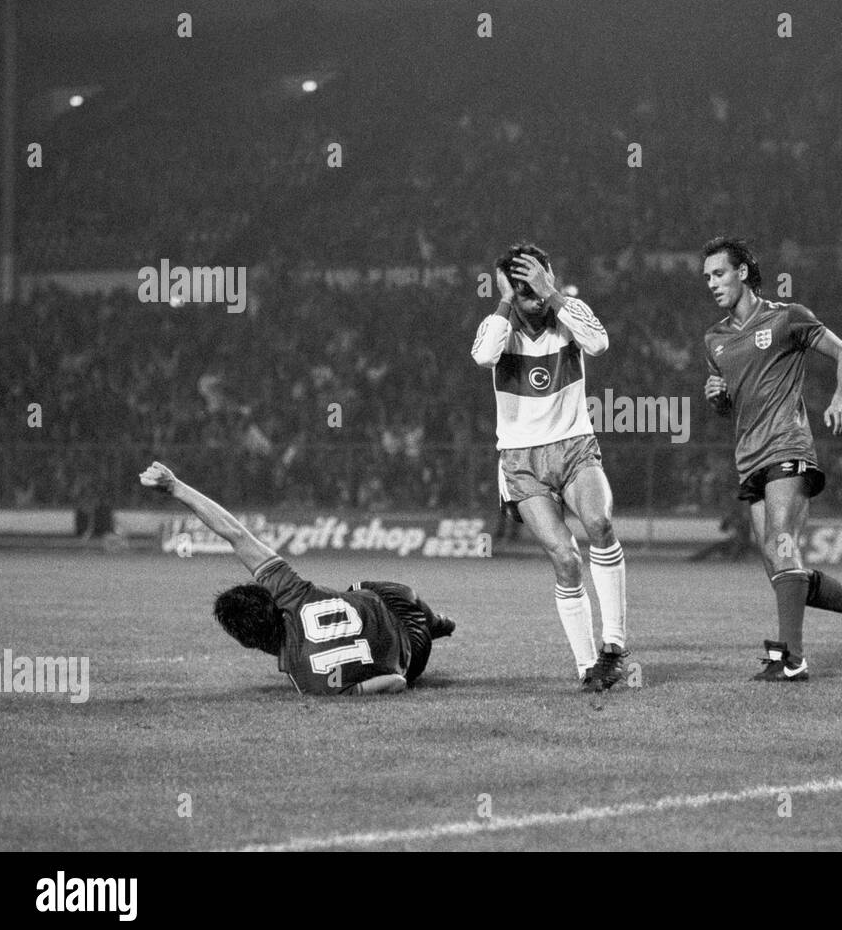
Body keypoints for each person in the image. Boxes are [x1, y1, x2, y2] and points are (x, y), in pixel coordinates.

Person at [701, 236, 842, 682]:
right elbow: (730, 402)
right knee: (778, 562)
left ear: (744, 273)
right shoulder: (714, 339)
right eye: (708, 277)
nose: (712, 283)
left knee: (782, 545)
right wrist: (716, 398)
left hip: (789, 446)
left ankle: (791, 657)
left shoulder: (788, 317)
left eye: (719, 273)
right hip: (749, 458)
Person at [139, 461, 454, 695]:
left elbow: (396, 682)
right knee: (360, 588)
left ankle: (433, 626)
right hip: (395, 598)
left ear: (248, 642)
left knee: (362, 594)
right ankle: (435, 622)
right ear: (271, 601)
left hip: (413, 653)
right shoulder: (290, 592)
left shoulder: (307, 678)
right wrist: (175, 487)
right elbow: (234, 533)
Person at [471, 243, 628, 691]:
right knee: (565, 558)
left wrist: (553, 294)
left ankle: (614, 647)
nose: (535, 299)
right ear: (508, 291)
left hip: (575, 445)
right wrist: (504, 300)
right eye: (524, 291)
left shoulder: (568, 313)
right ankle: (587, 667)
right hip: (521, 459)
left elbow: (598, 343)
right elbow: (484, 357)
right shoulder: (496, 326)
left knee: (599, 523)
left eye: (540, 284)